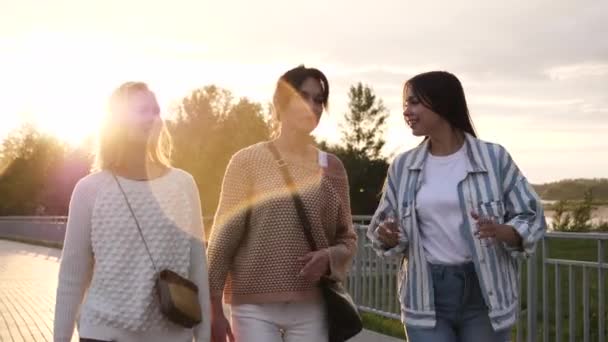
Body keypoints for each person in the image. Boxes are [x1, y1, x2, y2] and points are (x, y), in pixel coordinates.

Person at [368, 71, 546, 342]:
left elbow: (532, 215)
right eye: (405, 104)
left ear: (441, 103)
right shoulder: (403, 167)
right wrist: (387, 234)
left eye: (414, 102)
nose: (406, 111)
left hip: (485, 293)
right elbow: (382, 226)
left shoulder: (493, 158)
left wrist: (503, 231)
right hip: (426, 295)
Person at [207, 65, 357, 342]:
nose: (312, 105)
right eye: (303, 96)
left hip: (312, 307)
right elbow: (223, 237)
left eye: (318, 99)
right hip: (252, 307)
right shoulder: (247, 161)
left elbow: (347, 237)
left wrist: (328, 258)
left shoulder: (332, 167)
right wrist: (214, 308)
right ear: (280, 103)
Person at [54, 82, 211, 342]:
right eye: (142, 111)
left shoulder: (183, 185)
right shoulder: (90, 189)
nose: (153, 118)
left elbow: (197, 268)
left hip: (171, 335)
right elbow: (73, 274)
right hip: (104, 334)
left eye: (156, 111)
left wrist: (203, 337)